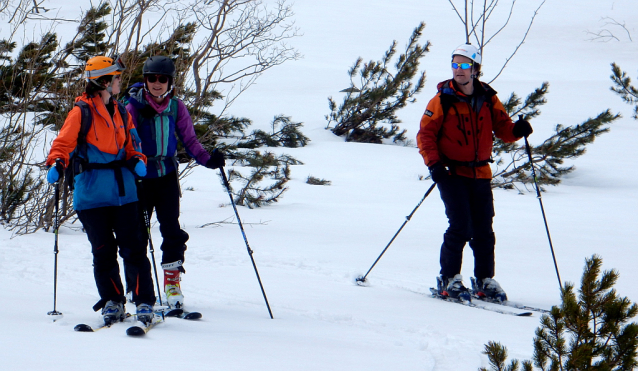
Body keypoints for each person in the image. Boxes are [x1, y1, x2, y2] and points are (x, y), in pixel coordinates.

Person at [416, 44, 533, 302]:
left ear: (475, 69)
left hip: (481, 173)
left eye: (465, 65)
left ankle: (484, 280)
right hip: (451, 173)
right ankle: (449, 279)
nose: (459, 70)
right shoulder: (441, 99)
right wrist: (434, 166)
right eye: (455, 65)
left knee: (483, 229)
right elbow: (425, 135)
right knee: (460, 226)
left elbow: (503, 128)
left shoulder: (488, 98)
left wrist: (518, 130)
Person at [46, 55, 156, 324]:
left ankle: (143, 303)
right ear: (104, 82)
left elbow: (133, 144)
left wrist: (137, 159)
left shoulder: (120, 111)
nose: (120, 81)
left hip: (124, 193)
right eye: (116, 77)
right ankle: (113, 301)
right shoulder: (80, 113)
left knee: (134, 249)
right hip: (92, 195)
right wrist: (57, 163)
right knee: (103, 251)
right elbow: (63, 144)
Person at [124, 55, 225, 309]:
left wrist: (208, 160)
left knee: (171, 230)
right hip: (140, 178)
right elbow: (125, 141)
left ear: (170, 82)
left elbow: (189, 140)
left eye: (162, 79)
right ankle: (137, 286)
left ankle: (171, 283)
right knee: (138, 234)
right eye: (152, 78)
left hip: (167, 176)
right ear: (145, 81)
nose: (157, 83)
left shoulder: (176, 107)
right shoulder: (132, 107)